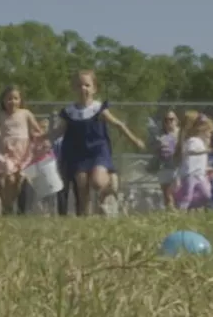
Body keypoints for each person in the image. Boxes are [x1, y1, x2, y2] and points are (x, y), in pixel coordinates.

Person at [53, 70, 145, 216]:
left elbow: (118, 124)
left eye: (87, 85)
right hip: (78, 153)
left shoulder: (99, 108)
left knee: (97, 182)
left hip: (97, 150)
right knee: (82, 185)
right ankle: (85, 218)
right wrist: (39, 138)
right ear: (74, 88)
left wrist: (134, 139)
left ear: (94, 88)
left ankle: (111, 181)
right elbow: (58, 131)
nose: (83, 88)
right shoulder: (69, 112)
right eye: (79, 85)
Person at [0, 86, 44, 216]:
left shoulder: (25, 113)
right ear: (3, 101)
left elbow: (37, 129)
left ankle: (9, 203)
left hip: (23, 150)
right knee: (9, 178)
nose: (12, 102)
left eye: (16, 98)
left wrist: (40, 137)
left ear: (20, 100)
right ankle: (8, 205)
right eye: (9, 99)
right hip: (6, 150)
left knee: (18, 180)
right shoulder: (1, 115)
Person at [174, 112, 213, 211]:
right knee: (187, 195)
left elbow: (201, 160)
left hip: (200, 174)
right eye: (209, 132)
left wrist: (207, 168)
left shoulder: (201, 143)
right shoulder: (193, 140)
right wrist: (204, 151)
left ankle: (190, 205)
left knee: (206, 194)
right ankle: (181, 210)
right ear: (202, 131)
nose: (210, 135)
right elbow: (190, 151)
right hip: (190, 174)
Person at [150, 110, 180, 210]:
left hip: (178, 168)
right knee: (167, 195)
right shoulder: (159, 135)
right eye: (166, 120)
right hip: (164, 167)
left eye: (171, 119)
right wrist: (158, 146)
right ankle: (171, 215)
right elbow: (152, 149)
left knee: (178, 194)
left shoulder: (181, 134)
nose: (169, 122)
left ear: (176, 120)